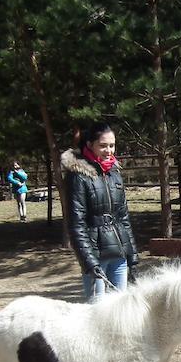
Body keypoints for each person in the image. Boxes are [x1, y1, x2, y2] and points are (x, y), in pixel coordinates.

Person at [61, 122, 139, 299]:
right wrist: (88, 261)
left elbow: (123, 217)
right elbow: (76, 223)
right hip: (96, 255)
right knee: (97, 313)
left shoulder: (114, 173)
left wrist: (132, 256)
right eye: (103, 146)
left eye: (112, 145)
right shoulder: (78, 176)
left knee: (120, 310)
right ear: (89, 145)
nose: (109, 150)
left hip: (119, 254)